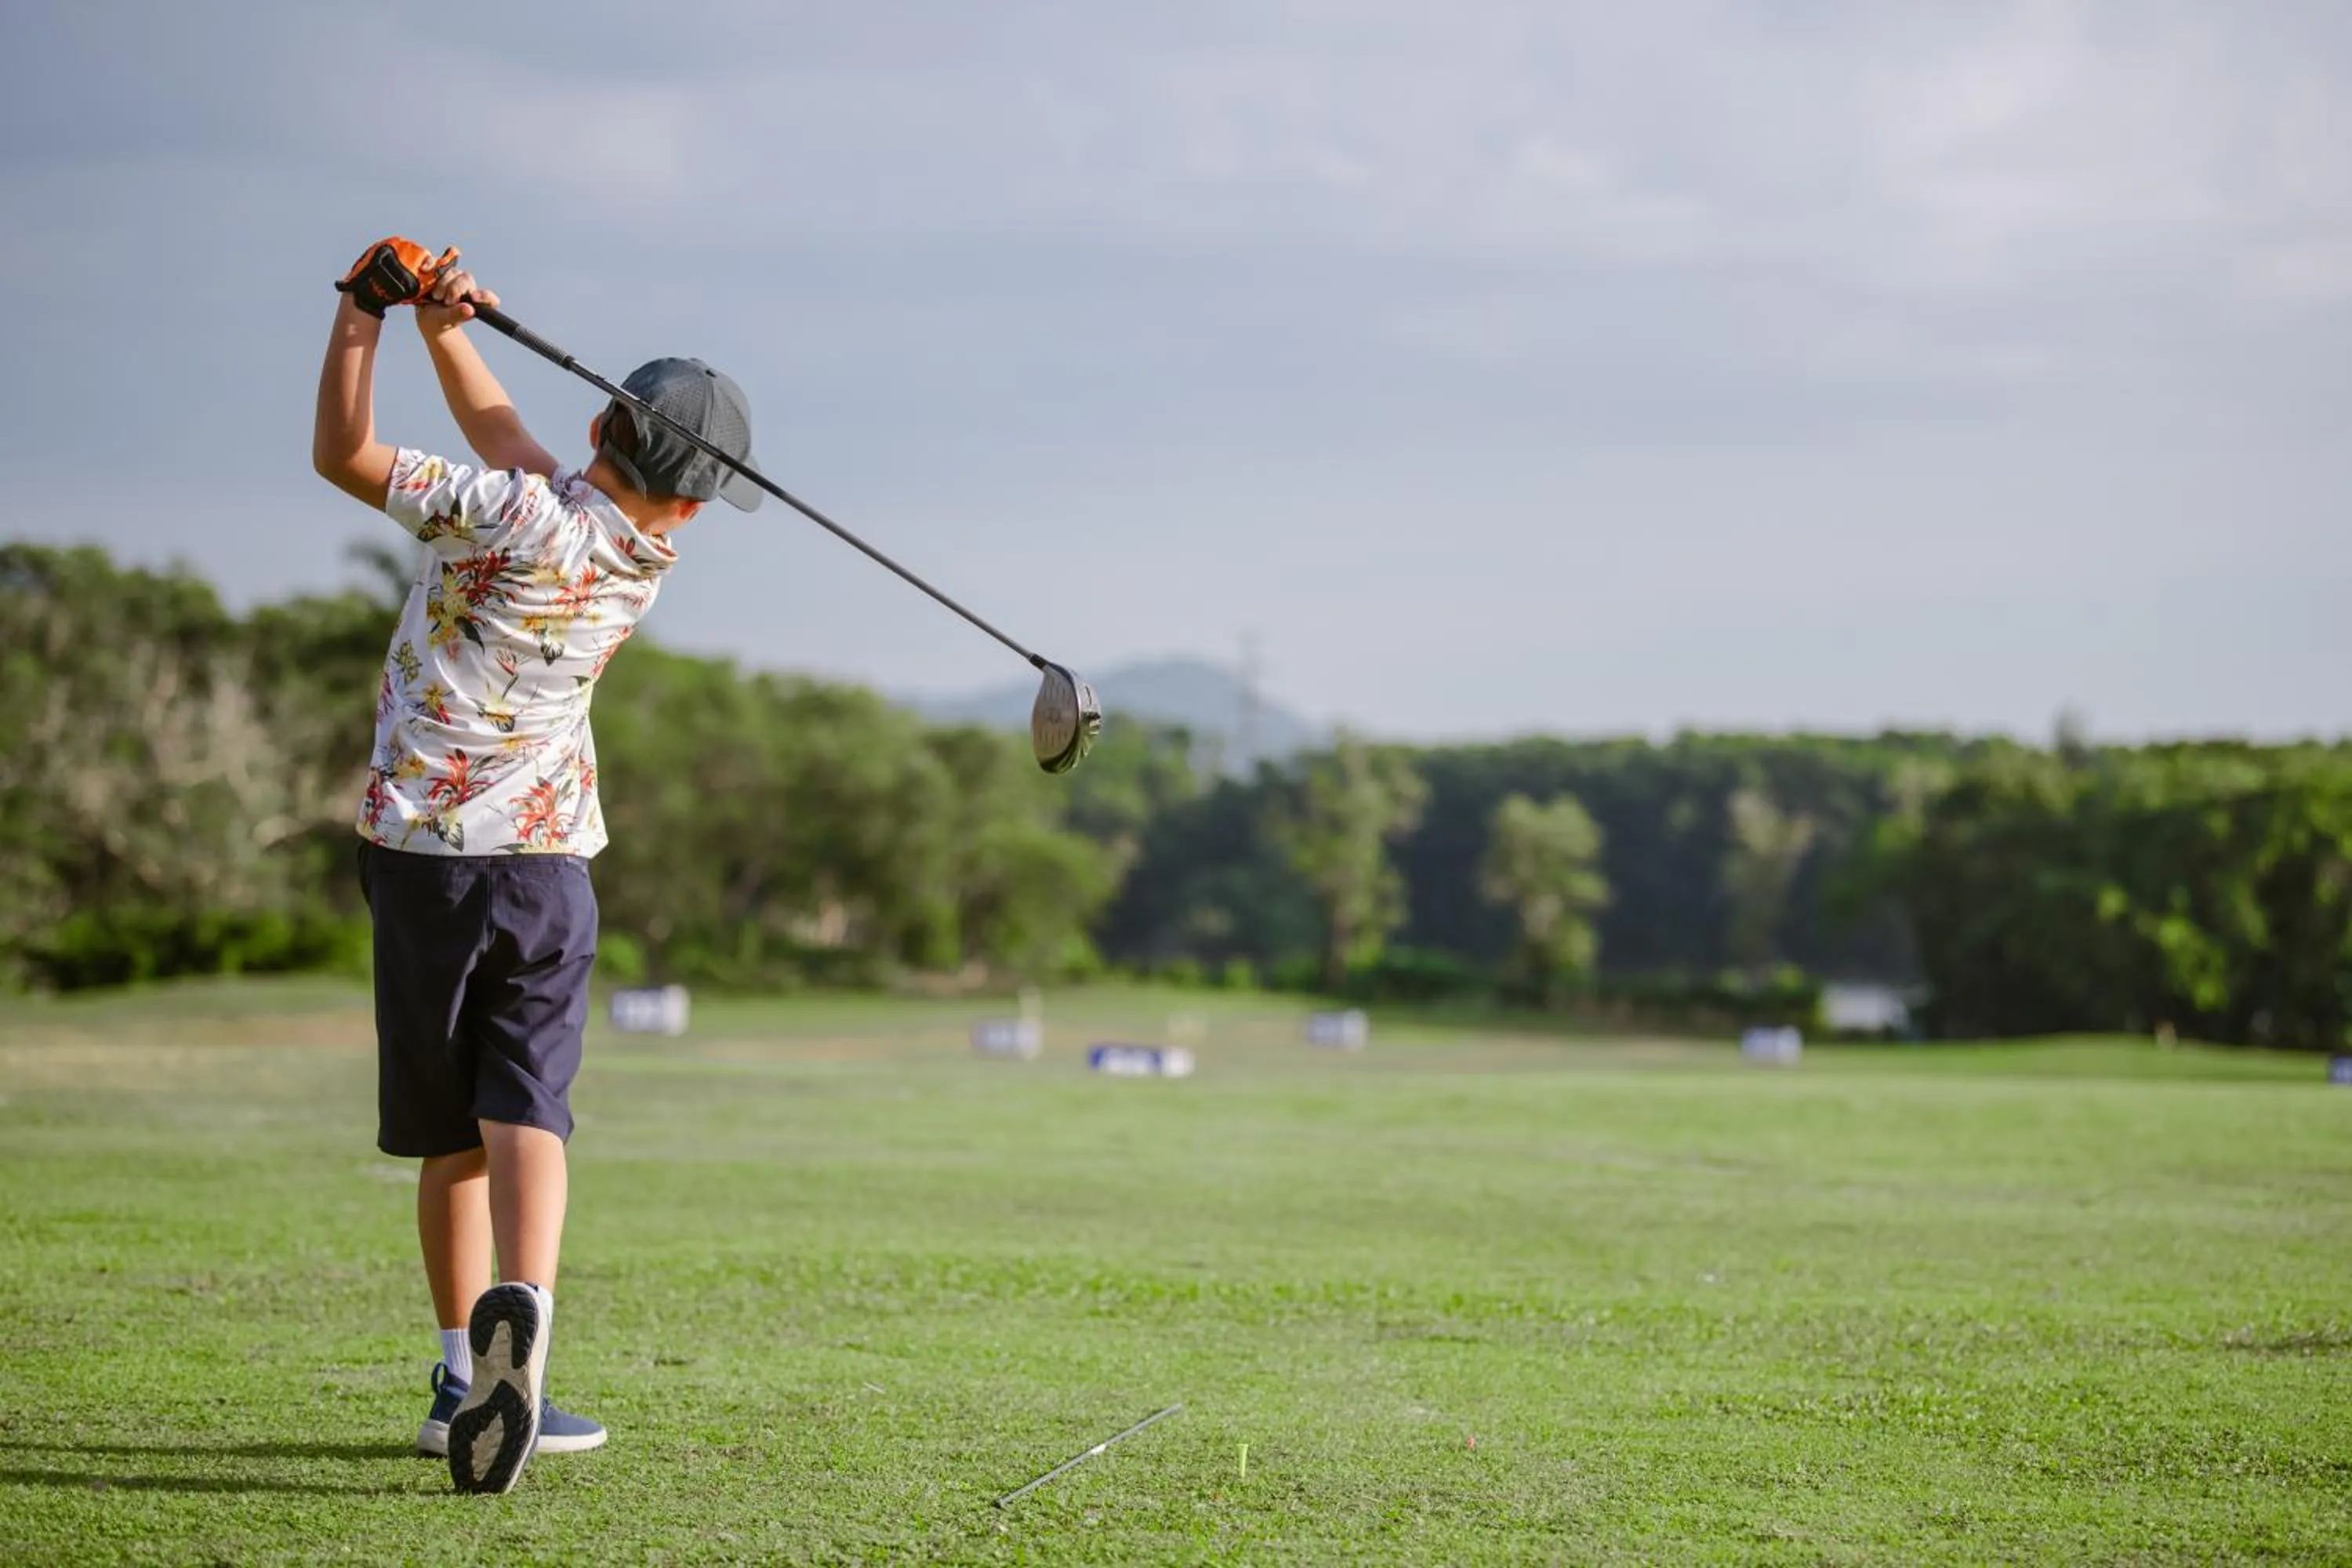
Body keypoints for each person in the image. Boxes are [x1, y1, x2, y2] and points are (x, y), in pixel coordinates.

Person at [310, 237, 762, 1494]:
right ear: (686, 503)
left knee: (448, 1134)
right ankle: (531, 1319)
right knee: (531, 1109)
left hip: (418, 858)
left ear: (602, 425)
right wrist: (449, 329)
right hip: (549, 865)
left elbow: (349, 457)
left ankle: (462, 1370)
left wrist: (365, 317)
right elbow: (520, 454)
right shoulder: (639, 562)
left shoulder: (514, 512)